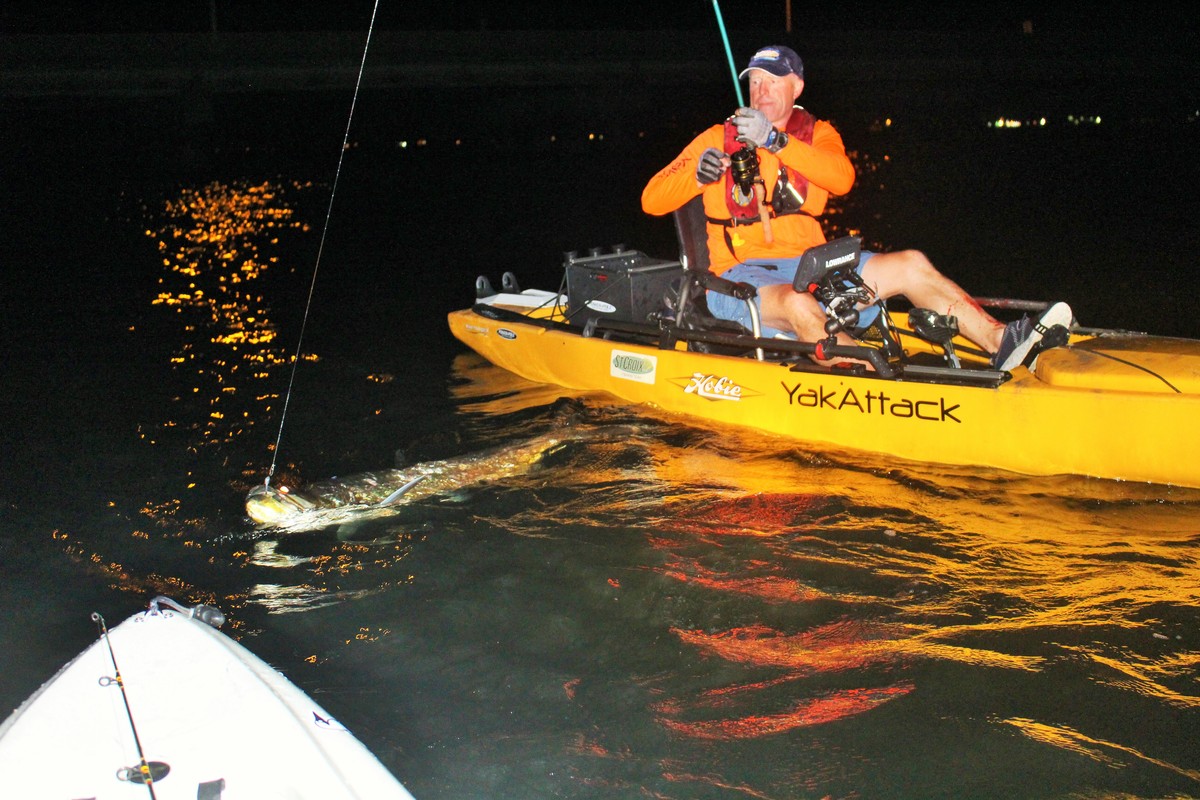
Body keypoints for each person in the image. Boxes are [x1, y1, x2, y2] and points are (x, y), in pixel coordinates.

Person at [641, 44, 1072, 371]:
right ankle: (863, 377)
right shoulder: (717, 137)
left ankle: (1003, 343)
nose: (761, 91)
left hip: (812, 267)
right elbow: (652, 199)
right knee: (798, 306)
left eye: (773, 81)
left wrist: (775, 141)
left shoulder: (819, 134)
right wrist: (697, 175)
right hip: (739, 280)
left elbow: (841, 178)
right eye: (754, 82)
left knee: (911, 263)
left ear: (797, 87)